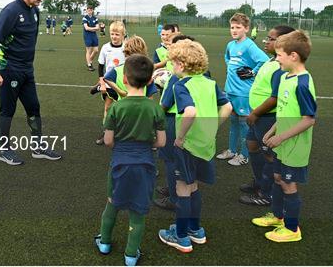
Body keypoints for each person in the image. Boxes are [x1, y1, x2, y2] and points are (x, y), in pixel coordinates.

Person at [158, 39, 232, 253]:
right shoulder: (210, 83)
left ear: (181, 64)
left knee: (182, 187)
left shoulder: (182, 85)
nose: (171, 67)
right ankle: (195, 230)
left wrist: (180, 137)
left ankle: (180, 236)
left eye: (172, 63)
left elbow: (190, 112)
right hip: (206, 143)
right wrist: (213, 126)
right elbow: (227, 106)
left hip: (187, 145)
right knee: (194, 186)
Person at [94, 54, 166, 267]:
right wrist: (146, 144)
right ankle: (131, 255)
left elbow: (108, 141)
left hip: (119, 164)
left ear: (124, 80)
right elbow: (161, 142)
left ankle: (104, 243)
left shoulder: (117, 107)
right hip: (145, 166)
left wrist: (123, 146)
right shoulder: (155, 108)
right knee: (138, 213)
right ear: (150, 80)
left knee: (112, 205)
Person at [0, 0, 62, 166]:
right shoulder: (11, 11)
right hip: (9, 70)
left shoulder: (35, 11)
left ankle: (37, 147)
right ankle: (4, 150)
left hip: (27, 70)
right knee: (8, 110)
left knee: (33, 107)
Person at [252, 30, 316, 243]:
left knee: (288, 184)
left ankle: (292, 228)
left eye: (279, 55)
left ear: (293, 56)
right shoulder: (287, 77)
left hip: (294, 146)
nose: (276, 58)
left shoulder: (303, 83)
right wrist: (273, 131)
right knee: (278, 178)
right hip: (283, 143)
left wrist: (280, 137)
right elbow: (286, 111)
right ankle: (278, 216)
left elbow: (309, 119)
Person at [239, 25, 295, 207]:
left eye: (271, 39)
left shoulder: (281, 67)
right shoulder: (272, 61)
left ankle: (266, 193)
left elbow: (275, 97)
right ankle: (260, 182)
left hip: (267, 117)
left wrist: (255, 112)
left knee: (270, 156)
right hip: (258, 116)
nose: (266, 41)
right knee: (252, 146)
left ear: (284, 42)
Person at [216, 13, 268, 166]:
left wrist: (252, 72)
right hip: (230, 89)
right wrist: (231, 66)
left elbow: (264, 60)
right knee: (233, 121)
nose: (234, 30)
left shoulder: (249, 45)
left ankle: (244, 155)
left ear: (246, 28)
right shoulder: (230, 45)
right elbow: (227, 58)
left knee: (244, 123)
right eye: (232, 27)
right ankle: (232, 150)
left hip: (243, 92)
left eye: (238, 27)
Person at [155, 33, 196, 211]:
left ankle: (174, 196)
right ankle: (174, 188)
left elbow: (165, 104)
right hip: (188, 123)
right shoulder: (198, 73)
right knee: (180, 160)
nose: (169, 48)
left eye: (172, 45)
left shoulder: (176, 78)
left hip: (173, 121)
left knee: (171, 161)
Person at [90, 21, 126, 145]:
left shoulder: (126, 47)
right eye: (112, 34)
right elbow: (100, 67)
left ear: (123, 35)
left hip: (123, 83)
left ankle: (122, 133)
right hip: (109, 82)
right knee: (108, 107)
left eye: (117, 34)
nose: (114, 37)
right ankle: (106, 131)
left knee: (124, 109)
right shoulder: (106, 48)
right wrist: (102, 83)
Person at [103, 35, 158, 101]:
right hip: (141, 108)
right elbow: (106, 78)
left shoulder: (118, 69)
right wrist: (120, 91)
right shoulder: (146, 70)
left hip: (123, 107)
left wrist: (120, 91)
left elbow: (106, 77)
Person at [83, 6, 100, 71]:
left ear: (92, 11)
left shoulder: (95, 18)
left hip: (94, 35)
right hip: (87, 35)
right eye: (88, 10)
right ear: (86, 11)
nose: (89, 11)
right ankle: (89, 65)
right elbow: (86, 28)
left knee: (96, 50)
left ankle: (89, 61)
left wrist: (91, 29)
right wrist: (94, 29)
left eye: (90, 10)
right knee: (89, 50)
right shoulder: (85, 18)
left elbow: (98, 28)